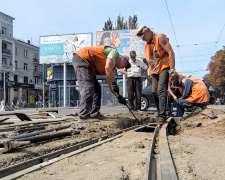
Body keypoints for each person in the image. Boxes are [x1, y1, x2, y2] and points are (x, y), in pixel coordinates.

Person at [72, 45, 130, 122]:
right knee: (88, 86)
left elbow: (110, 84)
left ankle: (94, 113)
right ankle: (84, 115)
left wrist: (118, 96)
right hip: (82, 59)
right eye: (125, 65)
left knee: (97, 88)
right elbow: (107, 67)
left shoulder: (111, 67)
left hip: (88, 65)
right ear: (123, 58)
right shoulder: (115, 53)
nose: (123, 68)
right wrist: (114, 83)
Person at [136, 25, 176, 123]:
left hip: (164, 67)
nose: (143, 39)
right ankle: (159, 113)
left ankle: (162, 115)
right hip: (154, 70)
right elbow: (150, 60)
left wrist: (172, 69)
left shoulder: (160, 38)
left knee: (161, 90)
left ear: (148, 31)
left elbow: (171, 52)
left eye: (144, 36)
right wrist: (150, 70)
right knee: (154, 91)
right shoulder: (147, 45)